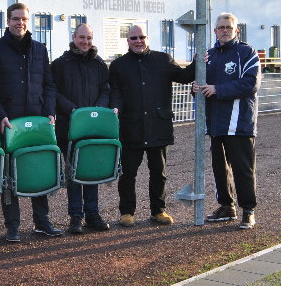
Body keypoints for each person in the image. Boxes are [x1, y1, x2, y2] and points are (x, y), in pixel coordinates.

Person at [0, 2, 63, 242]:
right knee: (10, 176)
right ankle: (12, 227)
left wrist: (49, 110)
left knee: (38, 170)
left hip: (37, 120)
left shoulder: (40, 49)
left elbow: (49, 85)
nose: (20, 23)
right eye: (16, 19)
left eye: (24, 20)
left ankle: (42, 222)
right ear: (7, 21)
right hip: (10, 122)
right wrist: (1, 114)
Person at [109, 24, 194, 227]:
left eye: (142, 37)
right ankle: (127, 212)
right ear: (127, 41)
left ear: (148, 38)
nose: (138, 41)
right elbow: (115, 92)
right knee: (128, 173)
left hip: (158, 126)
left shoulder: (162, 60)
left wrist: (198, 61)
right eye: (133, 38)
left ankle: (158, 211)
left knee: (159, 172)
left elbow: (183, 77)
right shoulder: (118, 65)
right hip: (131, 127)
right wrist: (115, 109)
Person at [192, 12, 260, 229]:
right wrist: (195, 87)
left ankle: (248, 211)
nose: (224, 30)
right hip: (216, 124)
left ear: (236, 30)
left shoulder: (246, 52)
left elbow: (250, 84)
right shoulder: (209, 55)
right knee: (219, 168)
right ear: (215, 31)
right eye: (221, 27)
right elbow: (202, 85)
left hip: (239, 124)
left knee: (243, 169)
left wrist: (217, 89)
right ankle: (226, 206)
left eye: (228, 27)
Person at [51, 23, 110, 234]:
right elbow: (53, 92)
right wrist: (74, 110)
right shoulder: (60, 64)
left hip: (93, 127)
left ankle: (92, 214)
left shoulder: (100, 65)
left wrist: (98, 108)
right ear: (74, 37)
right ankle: (76, 216)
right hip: (69, 127)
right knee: (74, 173)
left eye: (89, 38)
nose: (85, 42)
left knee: (91, 171)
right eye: (82, 37)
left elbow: (106, 89)